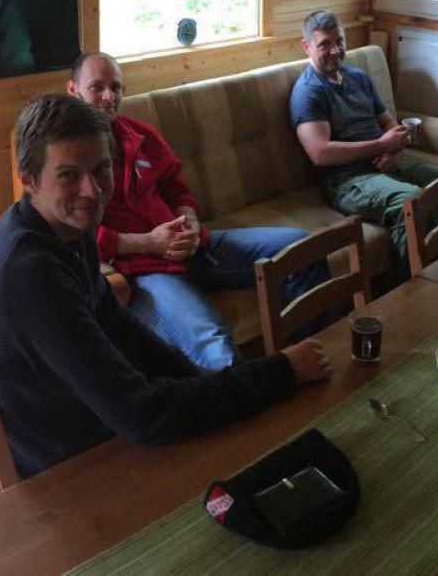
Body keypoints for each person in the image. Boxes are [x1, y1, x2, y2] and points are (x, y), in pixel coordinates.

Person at [0, 94, 330, 479]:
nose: (92, 191)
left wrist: (204, 378)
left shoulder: (66, 229)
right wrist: (279, 372)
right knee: (251, 451)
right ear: (29, 181)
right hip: (69, 465)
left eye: (101, 169)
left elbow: (120, 327)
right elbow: (141, 416)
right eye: (69, 175)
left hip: (84, 414)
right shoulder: (32, 273)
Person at [66, 52, 329, 370]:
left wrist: (189, 221)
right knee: (218, 351)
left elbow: (177, 188)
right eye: (97, 87)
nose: (109, 97)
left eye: (116, 88)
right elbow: (72, 236)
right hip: (144, 272)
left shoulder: (140, 134)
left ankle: (317, 362)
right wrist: (148, 242)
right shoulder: (66, 157)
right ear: (73, 90)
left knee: (305, 249)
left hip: (198, 248)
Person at [290, 10, 438, 276]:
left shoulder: (358, 77)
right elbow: (320, 153)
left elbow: (388, 122)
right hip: (349, 179)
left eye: (339, 41)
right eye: (324, 44)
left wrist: (393, 148)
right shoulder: (309, 91)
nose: (335, 50)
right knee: (413, 204)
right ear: (307, 47)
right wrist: (381, 145)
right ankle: (417, 286)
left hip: (389, 162)